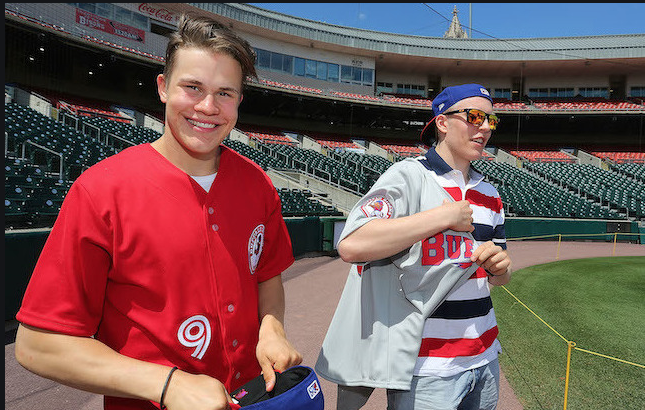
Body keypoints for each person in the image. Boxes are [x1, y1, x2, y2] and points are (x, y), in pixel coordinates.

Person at [14, 14, 302, 410]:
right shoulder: (101, 190)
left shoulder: (257, 182)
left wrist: (272, 328)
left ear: (239, 101)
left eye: (225, 93)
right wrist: (166, 384)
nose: (207, 106)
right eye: (193, 87)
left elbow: (268, 276)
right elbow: (36, 344)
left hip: (252, 398)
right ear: (163, 88)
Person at [315, 84, 512, 410]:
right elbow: (351, 244)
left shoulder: (489, 192)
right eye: (475, 116)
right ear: (443, 122)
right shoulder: (407, 175)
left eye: (491, 119)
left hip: (485, 356)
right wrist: (442, 216)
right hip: (427, 368)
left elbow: (498, 277)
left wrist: (501, 268)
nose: (486, 127)